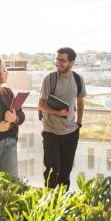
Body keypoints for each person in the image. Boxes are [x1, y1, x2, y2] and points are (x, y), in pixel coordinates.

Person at [37, 47, 86, 189]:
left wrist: (79, 123)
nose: (58, 63)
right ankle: (49, 205)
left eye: (62, 60)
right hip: (50, 131)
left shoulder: (78, 79)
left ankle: (62, 206)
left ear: (71, 62)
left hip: (71, 132)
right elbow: (41, 104)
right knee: (52, 171)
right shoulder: (50, 79)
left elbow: (80, 102)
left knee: (65, 172)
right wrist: (59, 113)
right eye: (57, 60)